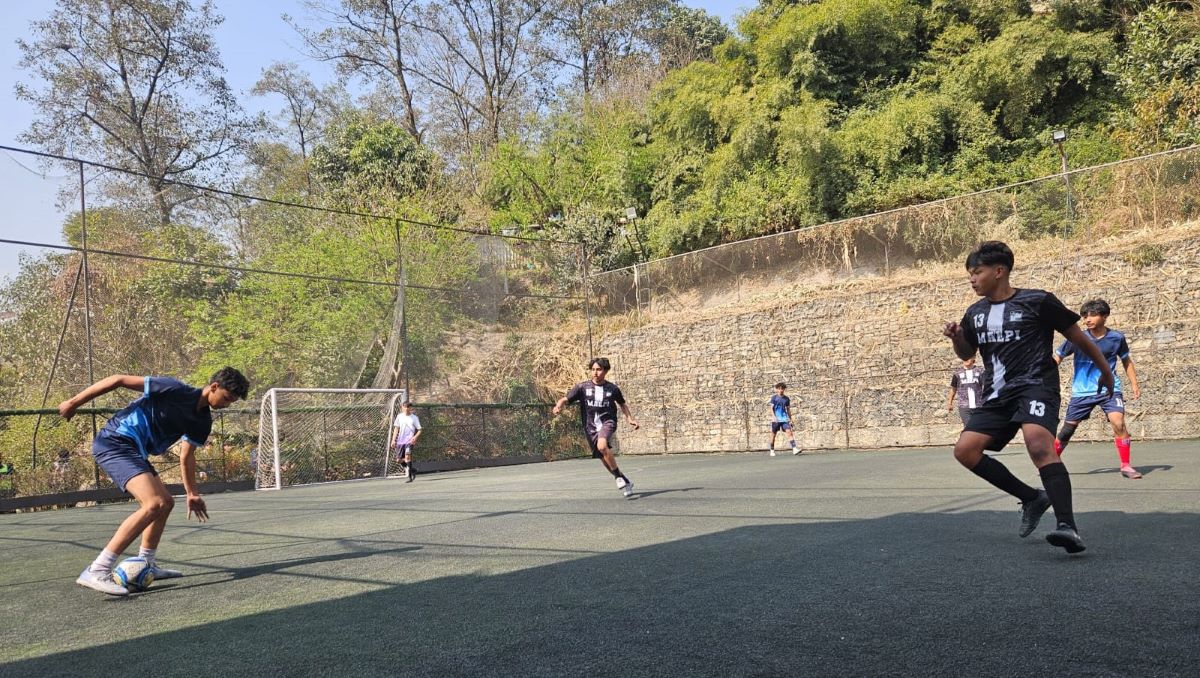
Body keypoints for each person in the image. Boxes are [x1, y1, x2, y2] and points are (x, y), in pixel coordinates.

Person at [942, 241, 1113, 554]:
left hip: (1036, 385)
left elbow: (1078, 338)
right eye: (970, 274)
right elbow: (967, 352)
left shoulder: (1038, 301)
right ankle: (1032, 498)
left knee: (1038, 445)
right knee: (965, 450)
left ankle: (1067, 527)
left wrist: (1106, 371)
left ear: (999, 271)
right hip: (997, 394)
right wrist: (957, 338)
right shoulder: (975, 313)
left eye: (977, 272)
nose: (972, 279)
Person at [58, 367, 250, 595]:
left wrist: (192, 493)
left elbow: (186, 456)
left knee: (166, 503)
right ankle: (97, 569)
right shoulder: (174, 389)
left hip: (134, 451)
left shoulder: (202, 422)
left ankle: (146, 562)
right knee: (154, 504)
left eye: (232, 402)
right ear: (214, 387)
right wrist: (74, 402)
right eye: (226, 398)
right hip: (114, 442)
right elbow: (118, 379)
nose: (227, 405)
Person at [1053, 299, 1143, 479]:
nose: (1087, 319)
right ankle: (1049, 463)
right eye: (1084, 316)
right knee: (1067, 430)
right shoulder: (1077, 337)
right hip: (1082, 392)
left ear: (1105, 316)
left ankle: (1126, 466)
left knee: (1119, 423)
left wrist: (1134, 384)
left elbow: (1126, 361)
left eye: (1092, 315)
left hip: (1109, 389)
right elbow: (1058, 357)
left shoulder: (1117, 338)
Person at [553, 357, 641, 497]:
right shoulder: (582, 388)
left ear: (605, 371)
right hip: (590, 427)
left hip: (608, 422)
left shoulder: (612, 389)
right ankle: (624, 480)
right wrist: (558, 406)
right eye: (593, 369)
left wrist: (630, 419)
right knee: (604, 459)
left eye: (599, 369)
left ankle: (618, 477)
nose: (595, 372)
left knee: (602, 445)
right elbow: (564, 399)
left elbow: (622, 404)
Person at [947, 358, 986, 426]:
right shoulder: (957, 373)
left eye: (968, 357)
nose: (966, 359)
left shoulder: (980, 371)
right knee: (969, 427)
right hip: (964, 406)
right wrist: (950, 403)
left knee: (978, 427)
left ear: (973, 358)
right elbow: (953, 389)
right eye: (964, 357)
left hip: (978, 406)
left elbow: (985, 387)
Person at [392, 401, 422, 482]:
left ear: (410, 408)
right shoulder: (399, 416)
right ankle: (412, 470)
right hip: (400, 441)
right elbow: (396, 428)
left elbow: (419, 430)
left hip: (409, 441)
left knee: (407, 457)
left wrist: (415, 437)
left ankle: (409, 477)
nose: (406, 409)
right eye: (404, 407)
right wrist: (393, 440)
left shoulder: (414, 418)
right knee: (399, 460)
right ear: (402, 407)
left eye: (408, 407)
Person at [768, 382, 800, 455]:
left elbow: (788, 409)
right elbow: (771, 409)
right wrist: (774, 417)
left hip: (784, 419)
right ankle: (772, 450)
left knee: (789, 432)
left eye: (782, 389)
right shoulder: (774, 398)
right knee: (773, 435)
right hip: (776, 420)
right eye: (779, 389)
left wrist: (790, 419)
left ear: (784, 389)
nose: (781, 390)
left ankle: (794, 449)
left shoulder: (786, 399)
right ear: (777, 389)